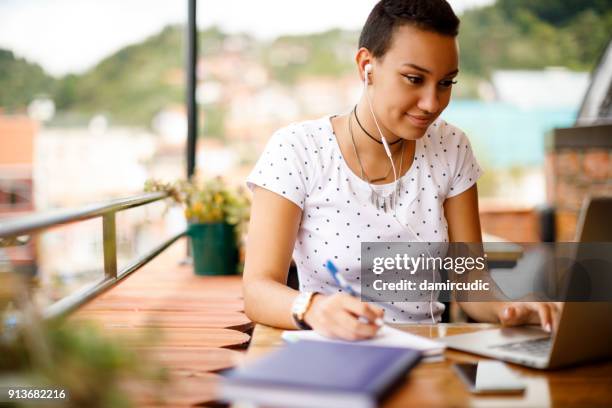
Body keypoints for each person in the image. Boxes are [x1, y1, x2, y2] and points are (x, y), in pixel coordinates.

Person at [243, 0, 561, 340]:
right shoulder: (298, 149)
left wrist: (507, 309)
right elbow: (258, 290)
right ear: (366, 66)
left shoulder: (452, 147)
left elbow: (470, 279)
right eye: (414, 79)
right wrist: (314, 308)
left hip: (429, 358)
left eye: (446, 83)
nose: (432, 103)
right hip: (333, 355)